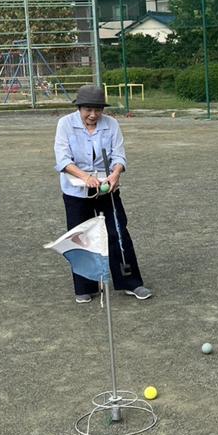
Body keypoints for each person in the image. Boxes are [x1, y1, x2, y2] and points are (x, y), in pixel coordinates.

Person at [54, 84, 152, 304]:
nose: (93, 115)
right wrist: (85, 177)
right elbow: (63, 160)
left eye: (97, 110)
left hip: (107, 188)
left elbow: (119, 156)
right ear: (79, 108)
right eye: (87, 109)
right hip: (76, 190)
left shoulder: (111, 125)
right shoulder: (65, 125)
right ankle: (85, 286)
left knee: (118, 233)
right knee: (81, 237)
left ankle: (131, 282)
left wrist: (116, 174)